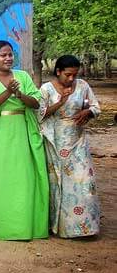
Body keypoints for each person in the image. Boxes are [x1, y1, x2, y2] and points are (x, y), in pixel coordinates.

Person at [0, 40, 48, 241]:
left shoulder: (23, 76)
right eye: (3, 55)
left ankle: (22, 224)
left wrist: (19, 94)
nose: (8, 58)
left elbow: (36, 102)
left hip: (22, 133)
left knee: (22, 178)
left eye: (10, 54)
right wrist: (7, 92)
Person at [38, 55, 101, 238]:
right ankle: (62, 227)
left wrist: (87, 111)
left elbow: (96, 107)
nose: (72, 78)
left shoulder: (82, 86)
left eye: (75, 74)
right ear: (58, 72)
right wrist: (60, 103)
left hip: (78, 139)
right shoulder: (46, 89)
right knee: (60, 184)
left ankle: (85, 227)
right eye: (68, 75)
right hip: (56, 142)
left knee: (84, 182)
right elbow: (40, 114)